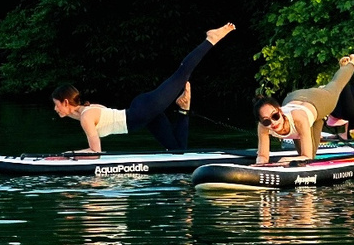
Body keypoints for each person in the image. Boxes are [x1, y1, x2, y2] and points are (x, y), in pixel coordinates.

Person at [51, 23, 236, 153]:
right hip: (144, 115)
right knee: (177, 152)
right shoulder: (83, 112)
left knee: (181, 74)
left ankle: (210, 39)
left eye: (56, 104)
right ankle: (184, 109)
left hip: (143, 110)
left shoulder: (86, 117)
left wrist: (65, 156)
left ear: (65, 101)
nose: (55, 108)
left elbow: (95, 151)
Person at [253, 54, 354, 163]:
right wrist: (259, 166)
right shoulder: (263, 127)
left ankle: (352, 62)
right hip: (294, 98)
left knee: (334, 86)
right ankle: (320, 119)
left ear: (280, 111)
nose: (273, 123)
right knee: (310, 157)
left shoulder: (298, 118)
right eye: (267, 121)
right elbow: (263, 156)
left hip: (317, 100)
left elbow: (306, 156)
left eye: (275, 116)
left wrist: (287, 160)